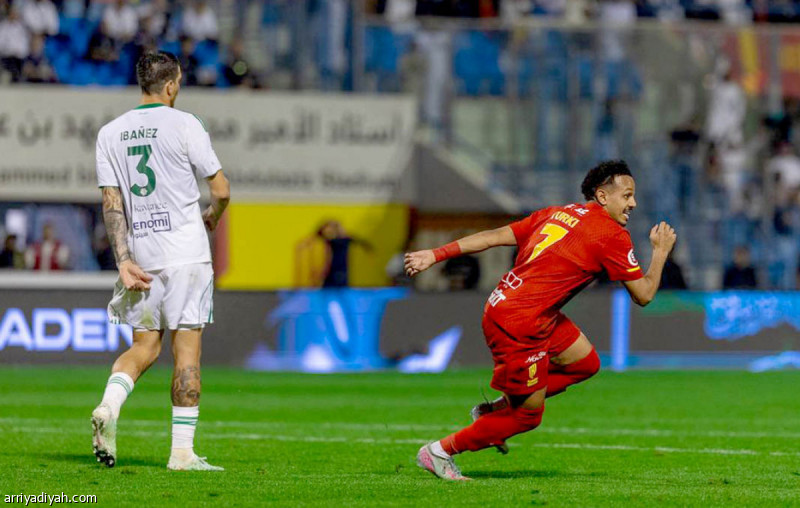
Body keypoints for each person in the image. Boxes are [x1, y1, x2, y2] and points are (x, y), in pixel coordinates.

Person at [405, 160, 677, 481]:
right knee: (527, 417)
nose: (633, 203)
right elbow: (643, 295)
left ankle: (501, 408)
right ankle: (439, 451)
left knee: (585, 363)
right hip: (522, 322)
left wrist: (435, 254)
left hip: (515, 305)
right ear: (602, 196)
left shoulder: (557, 213)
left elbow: (494, 236)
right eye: (627, 195)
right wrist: (660, 252)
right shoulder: (611, 235)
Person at [91, 51, 230, 471]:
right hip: (187, 255)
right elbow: (221, 190)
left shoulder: (110, 133)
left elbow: (111, 203)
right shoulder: (186, 124)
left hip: (143, 256)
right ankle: (182, 453)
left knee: (143, 347)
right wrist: (213, 214)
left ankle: (109, 405)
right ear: (171, 85)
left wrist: (123, 260)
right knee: (186, 354)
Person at [317, 220, 372, 288]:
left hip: (340, 269)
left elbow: (361, 242)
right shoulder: (335, 241)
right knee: (332, 287)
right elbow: (319, 234)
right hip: (334, 269)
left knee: (336, 287)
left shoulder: (342, 240)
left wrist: (327, 225)